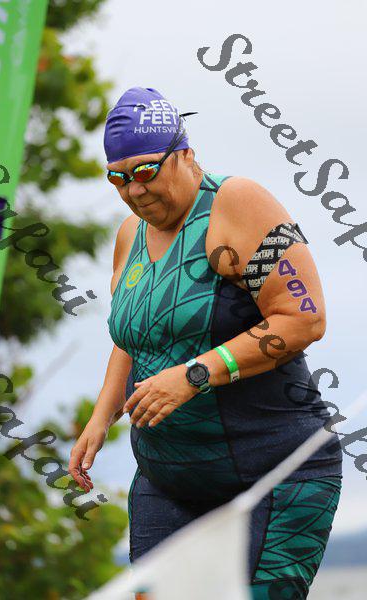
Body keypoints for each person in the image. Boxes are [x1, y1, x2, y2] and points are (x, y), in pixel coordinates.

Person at [68, 87, 343, 599]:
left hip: (275, 472)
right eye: (118, 178)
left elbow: (304, 318)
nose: (134, 190)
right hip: (168, 481)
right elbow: (134, 336)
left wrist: (197, 374)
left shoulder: (237, 204)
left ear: (186, 154)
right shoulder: (130, 234)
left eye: (145, 171)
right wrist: (101, 418)